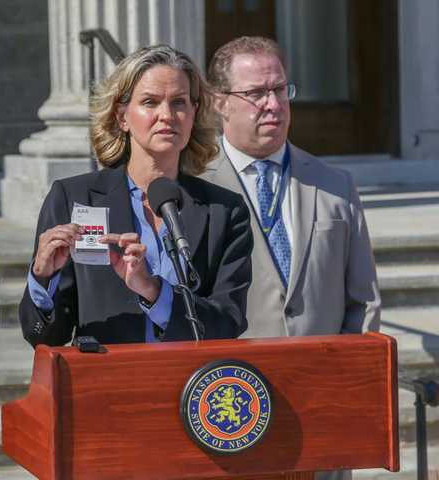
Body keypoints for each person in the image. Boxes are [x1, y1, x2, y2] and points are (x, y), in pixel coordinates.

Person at [202, 37, 380, 480]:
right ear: (220, 102)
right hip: (232, 416)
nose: (273, 104)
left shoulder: (334, 184)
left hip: (322, 416)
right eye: (256, 93)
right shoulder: (191, 189)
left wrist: (345, 394)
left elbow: (363, 302)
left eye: (280, 90)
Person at [19, 45, 252, 347]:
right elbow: (49, 335)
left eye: (179, 102)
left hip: (192, 386)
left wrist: (155, 292)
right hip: (106, 385)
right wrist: (42, 278)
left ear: (194, 113)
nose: (166, 115)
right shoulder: (75, 197)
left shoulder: (224, 210)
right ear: (122, 117)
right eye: (150, 102)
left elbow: (228, 320)